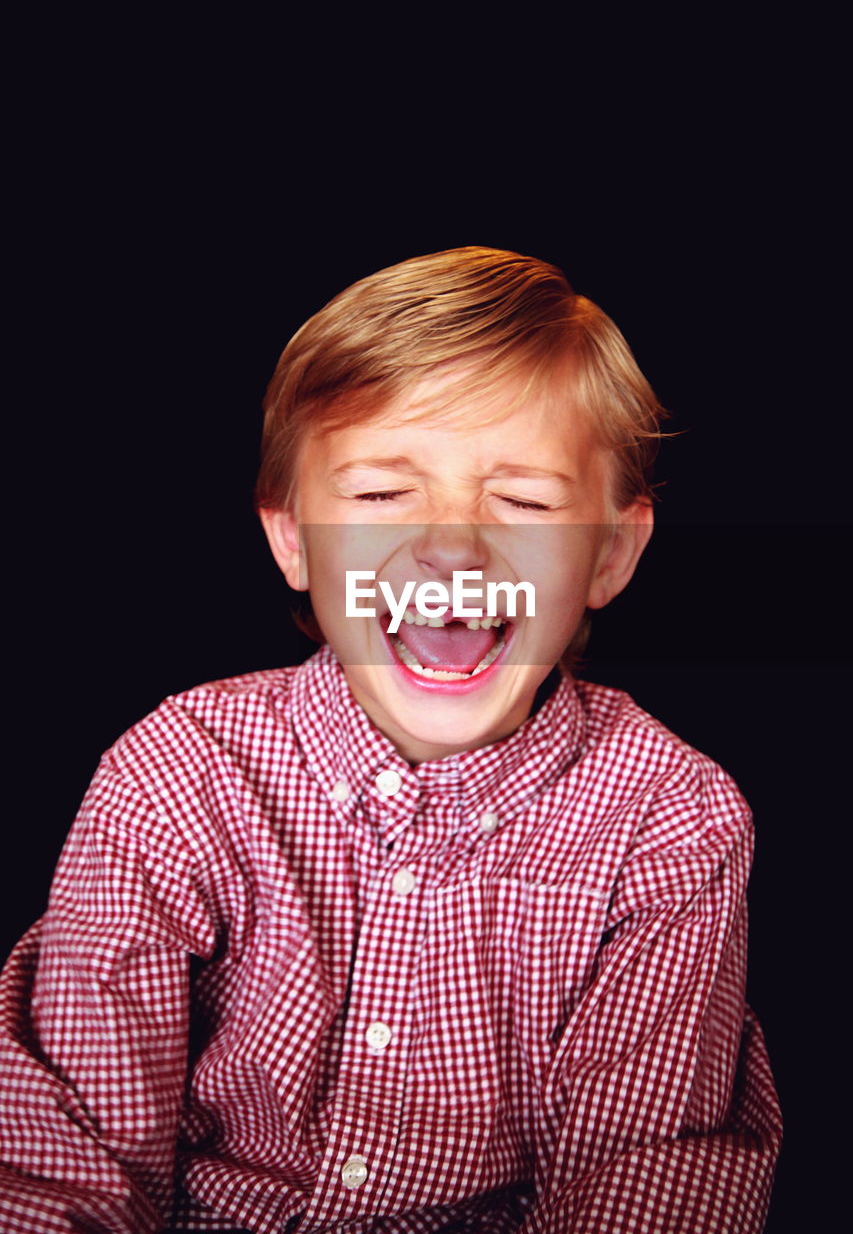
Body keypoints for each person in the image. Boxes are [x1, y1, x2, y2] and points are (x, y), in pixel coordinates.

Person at [0, 248, 782, 1232]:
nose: (451, 545)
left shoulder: (672, 820)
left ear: (610, 553)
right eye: (379, 494)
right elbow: (63, 1151)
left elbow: (638, 1179)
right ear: (293, 540)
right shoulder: (177, 774)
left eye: (525, 501)